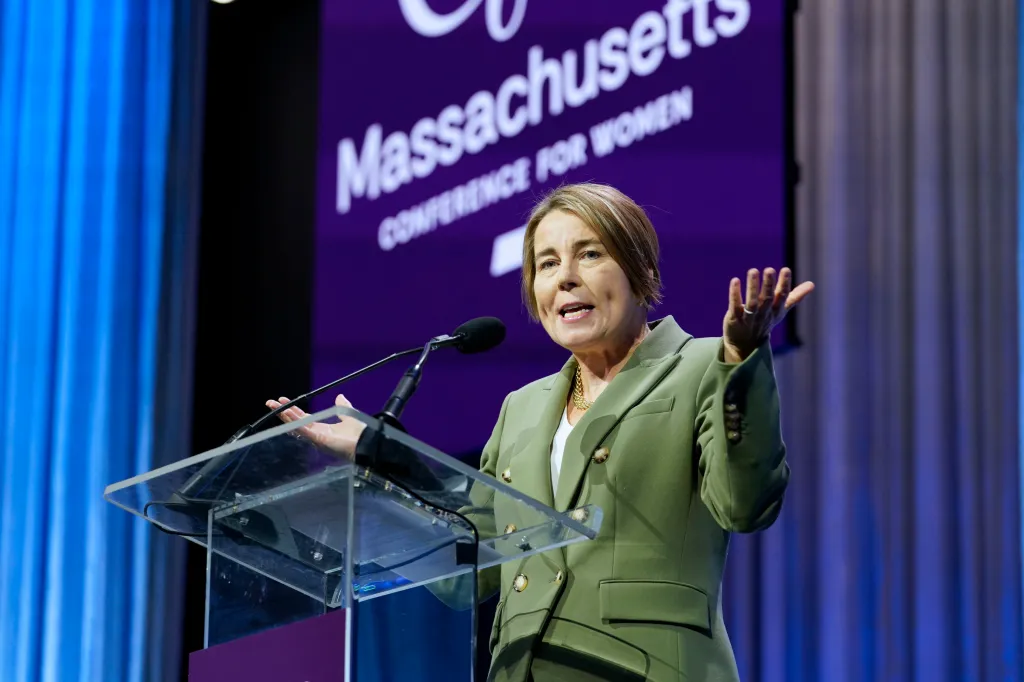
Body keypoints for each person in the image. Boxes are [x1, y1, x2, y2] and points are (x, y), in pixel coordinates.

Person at [267, 183, 814, 682]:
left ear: (638, 268)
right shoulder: (522, 408)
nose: (565, 277)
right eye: (546, 264)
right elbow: (472, 563)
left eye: (590, 254)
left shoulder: (700, 365)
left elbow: (745, 506)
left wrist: (741, 360)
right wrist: (379, 455)